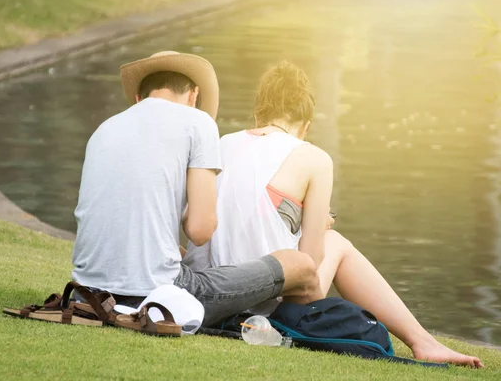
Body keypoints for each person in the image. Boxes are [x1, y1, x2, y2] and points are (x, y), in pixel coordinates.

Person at [183, 60, 484, 368]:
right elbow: (310, 264)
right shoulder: (313, 157)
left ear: (258, 114)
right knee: (335, 241)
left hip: (208, 292)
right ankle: (423, 342)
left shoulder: (221, 143)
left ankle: (425, 342)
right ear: (306, 125)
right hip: (264, 306)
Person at [71, 51, 326, 327]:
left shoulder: (104, 129)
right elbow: (200, 231)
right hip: (157, 296)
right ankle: (321, 328)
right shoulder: (198, 122)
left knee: (177, 254)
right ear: (193, 96)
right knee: (298, 264)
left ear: (138, 98)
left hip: (86, 293)